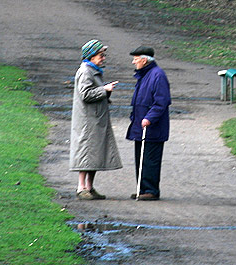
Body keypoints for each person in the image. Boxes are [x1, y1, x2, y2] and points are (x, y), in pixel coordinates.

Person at [69, 39, 122, 200]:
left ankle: (90, 188)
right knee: (85, 153)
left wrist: (105, 90)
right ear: (91, 56)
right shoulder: (85, 71)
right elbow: (85, 94)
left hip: (95, 120)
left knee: (95, 155)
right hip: (88, 122)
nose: (103, 58)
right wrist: (104, 89)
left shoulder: (93, 70)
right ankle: (81, 188)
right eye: (100, 55)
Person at [126, 46, 171, 200]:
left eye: (136, 59)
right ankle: (142, 188)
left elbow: (161, 101)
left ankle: (151, 190)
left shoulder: (157, 75)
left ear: (144, 60)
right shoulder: (144, 75)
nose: (133, 62)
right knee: (140, 158)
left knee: (150, 160)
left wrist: (149, 118)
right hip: (140, 126)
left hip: (152, 127)